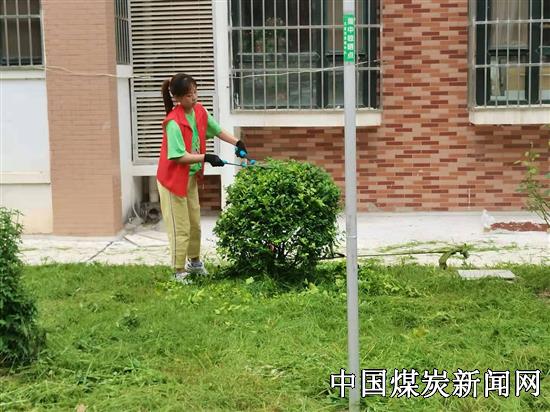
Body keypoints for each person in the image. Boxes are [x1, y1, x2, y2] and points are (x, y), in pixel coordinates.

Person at [157, 73, 247, 284]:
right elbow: (178, 157)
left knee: (195, 224)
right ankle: (178, 271)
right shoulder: (173, 123)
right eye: (189, 95)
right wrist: (206, 157)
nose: (194, 97)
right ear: (178, 98)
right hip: (172, 181)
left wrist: (237, 142)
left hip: (189, 178)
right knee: (180, 227)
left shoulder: (200, 111)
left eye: (195, 92)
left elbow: (217, 130)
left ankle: (195, 263)